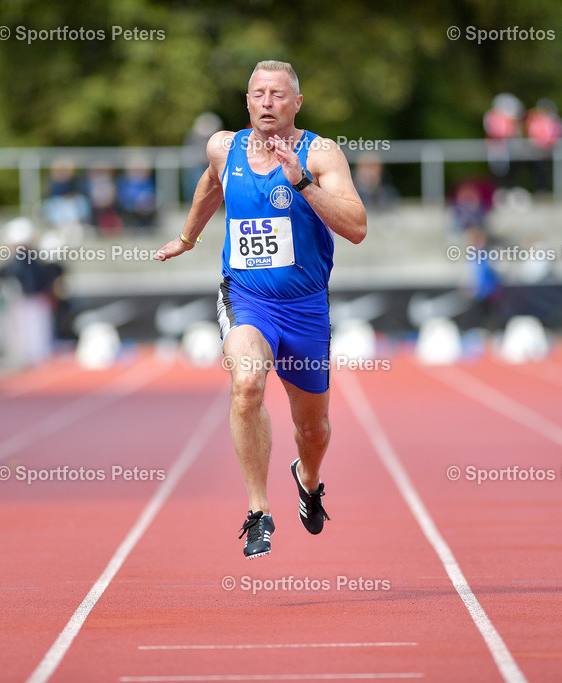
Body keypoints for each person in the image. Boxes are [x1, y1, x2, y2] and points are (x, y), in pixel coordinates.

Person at [155, 60, 367, 558]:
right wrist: (188, 237)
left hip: (306, 308)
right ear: (247, 102)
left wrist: (303, 184)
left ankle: (308, 479)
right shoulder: (223, 148)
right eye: (258, 94)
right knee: (248, 382)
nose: (267, 102)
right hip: (247, 298)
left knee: (313, 430)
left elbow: (357, 227)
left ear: (297, 103)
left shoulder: (321, 154)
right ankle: (258, 510)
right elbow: (212, 184)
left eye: (278, 94)